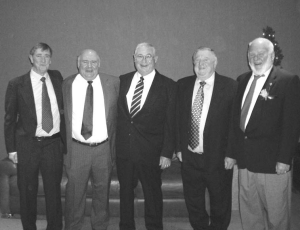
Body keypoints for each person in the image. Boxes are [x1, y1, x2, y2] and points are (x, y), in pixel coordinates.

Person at [227, 37, 300, 230]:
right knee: (250, 214)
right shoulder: (242, 80)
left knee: (277, 215)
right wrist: (232, 153)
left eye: (261, 54)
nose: (256, 57)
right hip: (245, 162)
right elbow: (236, 122)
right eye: (252, 54)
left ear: (272, 55)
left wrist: (284, 159)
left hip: (273, 163)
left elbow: (292, 125)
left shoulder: (287, 80)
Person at [116, 42, 177, 230]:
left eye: (148, 56)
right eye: (139, 56)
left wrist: (167, 152)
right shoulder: (122, 81)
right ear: (133, 58)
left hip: (151, 152)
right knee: (125, 194)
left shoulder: (168, 85)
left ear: (155, 59)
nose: (143, 61)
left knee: (152, 195)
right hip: (125, 151)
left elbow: (171, 122)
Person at [4, 42, 65, 230]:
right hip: (27, 145)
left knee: (54, 191)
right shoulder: (16, 84)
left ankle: (54, 227)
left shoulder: (57, 77)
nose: (43, 60)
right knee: (27, 191)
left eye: (47, 56)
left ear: (51, 59)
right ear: (31, 58)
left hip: (53, 144)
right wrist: (12, 149)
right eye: (39, 56)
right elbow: (9, 119)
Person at [176, 47, 237, 230]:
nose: (201, 64)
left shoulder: (230, 86)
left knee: (220, 202)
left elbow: (235, 124)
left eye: (206, 60)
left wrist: (231, 153)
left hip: (219, 158)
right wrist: (179, 148)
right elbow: (178, 120)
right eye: (197, 61)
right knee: (193, 202)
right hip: (190, 156)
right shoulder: (183, 85)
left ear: (215, 63)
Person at [62, 49, 119, 230]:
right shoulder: (66, 84)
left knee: (102, 194)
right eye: (85, 62)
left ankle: (100, 226)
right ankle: (73, 226)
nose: (89, 66)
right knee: (74, 195)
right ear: (78, 63)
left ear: (99, 63)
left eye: (93, 62)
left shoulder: (113, 83)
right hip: (77, 148)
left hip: (104, 148)